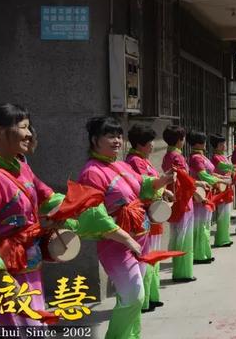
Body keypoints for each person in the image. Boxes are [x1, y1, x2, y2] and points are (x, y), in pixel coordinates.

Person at [0, 105, 116, 328]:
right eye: (23, 127)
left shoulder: (21, 168)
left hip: (30, 266)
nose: (30, 133)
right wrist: (7, 284)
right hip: (7, 274)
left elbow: (49, 198)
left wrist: (83, 212)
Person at [79, 116, 175, 338]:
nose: (117, 140)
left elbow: (142, 185)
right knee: (134, 295)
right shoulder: (92, 172)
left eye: (119, 136)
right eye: (110, 135)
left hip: (139, 238)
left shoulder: (120, 165)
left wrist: (163, 181)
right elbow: (95, 215)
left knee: (130, 296)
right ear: (94, 140)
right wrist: (127, 239)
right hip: (118, 244)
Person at [125, 123, 169, 313]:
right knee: (146, 258)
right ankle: (143, 300)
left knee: (153, 257)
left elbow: (155, 182)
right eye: (149, 142)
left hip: (153, 211)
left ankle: (151, 296)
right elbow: (144, 186)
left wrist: (165, 190)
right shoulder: (135, 161)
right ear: (140, 144)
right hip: (144, 213)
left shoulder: (144, 159)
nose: (152, 145)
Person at [161, 125, 196, 283]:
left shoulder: (167, 156)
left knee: (176, 234)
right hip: (183, 199)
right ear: (179, 140)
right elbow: (185, 180)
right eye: (183, 139)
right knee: (184, 235)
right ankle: (183, 272)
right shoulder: (178, 157)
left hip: (173, 198)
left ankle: (178, 269)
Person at [187, 131, 219, 265]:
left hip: (207, 192)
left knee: (205, 224)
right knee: (201, 225)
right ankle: (199, 255)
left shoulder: (202, 156)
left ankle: (205, 252)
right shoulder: (196, 158)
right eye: (204, 141)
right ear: (199, 143)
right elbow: (203, 176)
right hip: (200, 194)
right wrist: (220, 181)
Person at [209, 134, 235, 248]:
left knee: (226, 213)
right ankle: (220, 239)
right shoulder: (215, 157)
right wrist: (234, 167)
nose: (224, 146)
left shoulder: (224, 156)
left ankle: (225, 237)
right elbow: (224, 167)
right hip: (221, 187)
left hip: (227, 185)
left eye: (224, 144)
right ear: (216, 146)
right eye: (221, 144)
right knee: (222, 213)